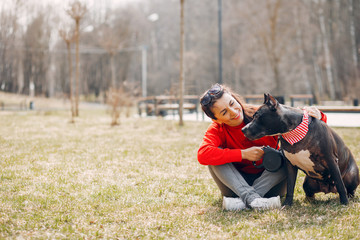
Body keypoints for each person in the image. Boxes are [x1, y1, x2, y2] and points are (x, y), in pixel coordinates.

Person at [197, 83, 327, 211]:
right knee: (213, 156)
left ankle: (244, 202)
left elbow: (304, 121)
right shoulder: (217, 129)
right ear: (216, 119)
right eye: (224, 112)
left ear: (235, 99)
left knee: (285, 156)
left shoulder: (261, 113)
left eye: (232, 103)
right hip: (235, 186)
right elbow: (202, 154)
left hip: (272, 184)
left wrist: (319, 115)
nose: (233, 112)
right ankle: (253, 199)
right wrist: (243, 154)